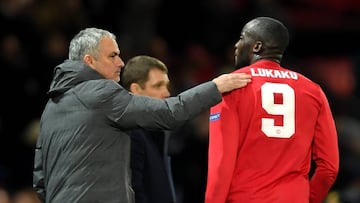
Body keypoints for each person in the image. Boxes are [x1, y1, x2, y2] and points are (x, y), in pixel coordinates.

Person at [32, 27, 251, 203]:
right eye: (113, 56)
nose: (121, 62)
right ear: (89, 61)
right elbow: (168, 113)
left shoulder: (52, 106)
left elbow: (40, 180)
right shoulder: (100, 92)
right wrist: (214, 87)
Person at [205, 17, 339, 203]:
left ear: (257, 47)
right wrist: (306, 198)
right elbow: (329, 167)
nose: (236, 45)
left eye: (242, 38)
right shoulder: (312, 90)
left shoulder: (229, 85)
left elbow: (221, 162)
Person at [120, 55, 176, 203]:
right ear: (136, 89)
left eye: (166, 85)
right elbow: (134, 192)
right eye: (158, 86)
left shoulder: (155, 130)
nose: (167, 93)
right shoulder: (130, 133)